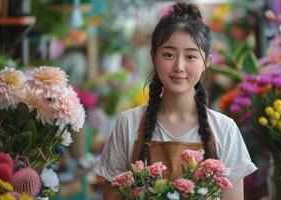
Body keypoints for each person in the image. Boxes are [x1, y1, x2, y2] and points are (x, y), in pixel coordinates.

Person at [94, 2, 257, 199]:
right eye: (169, 55)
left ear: (206, 62)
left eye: (190, 56)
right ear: (154, 57)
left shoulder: (225, 129)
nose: (179, 66)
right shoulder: (128, 123)